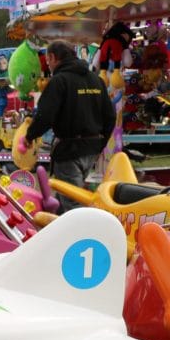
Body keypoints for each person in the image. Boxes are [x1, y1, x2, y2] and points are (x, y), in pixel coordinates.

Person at [19, 39, 115, 212]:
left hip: (69, 150)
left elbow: (45, 115)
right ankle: (55, 229)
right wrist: (101, 143)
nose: (48, 66)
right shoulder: (96, 80)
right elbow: (110, 116)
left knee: (73, 203)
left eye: (48, 61)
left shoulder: (59, 81)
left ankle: (82, 237)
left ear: (53, 57)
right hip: (91, 149)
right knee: (68, 196)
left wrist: (29, 136)